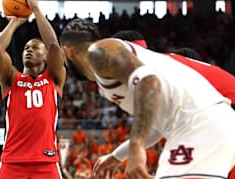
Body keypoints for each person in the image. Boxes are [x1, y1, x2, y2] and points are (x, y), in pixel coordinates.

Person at [60, 19, 235, 179]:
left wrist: (136, 148)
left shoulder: (100, 52)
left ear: (67, 51)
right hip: (211, 121)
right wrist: (117, 156)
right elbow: (158, 125)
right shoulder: (104, 79)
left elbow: (148, 81)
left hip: (199, 123)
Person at [0, 0, 66, 179]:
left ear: (46, 56)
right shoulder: (11, 78)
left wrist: (36, 10)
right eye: (26, 48)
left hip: (46, 161)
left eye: (36, 48)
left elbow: (55, 45)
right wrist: (15, 22)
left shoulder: (54, 78)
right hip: (12, 161)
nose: (29, 50)